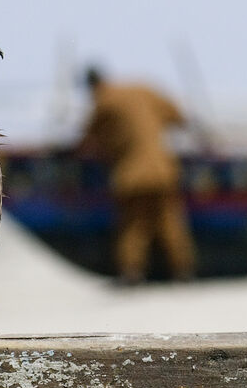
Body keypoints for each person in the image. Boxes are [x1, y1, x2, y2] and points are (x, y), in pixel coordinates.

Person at [77, 66, 195, 284]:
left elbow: (85, 142)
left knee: (134, 226)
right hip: (163, 170)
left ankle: (132, 273)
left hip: (132, 174)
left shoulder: (104, 101)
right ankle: (182, 272)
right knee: (169, 222)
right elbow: (178, 117)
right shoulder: (144, 90)